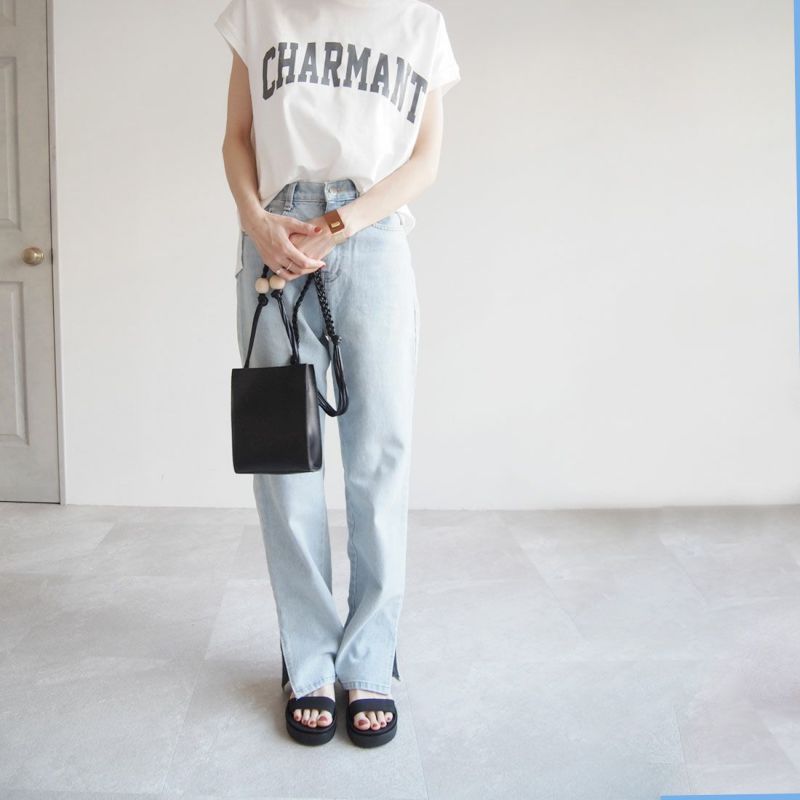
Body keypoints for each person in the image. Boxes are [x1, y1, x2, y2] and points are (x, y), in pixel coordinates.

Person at [215, 0, 460, 748]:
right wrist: (259, 224)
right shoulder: (260, 13)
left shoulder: (419, 25)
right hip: (275, 235)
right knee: (283, 456)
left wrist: (339, 226)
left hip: (372, 238)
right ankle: (310, 660)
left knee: (379, 456)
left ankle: (370, 659)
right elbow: (236, 137)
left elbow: (424, 161)